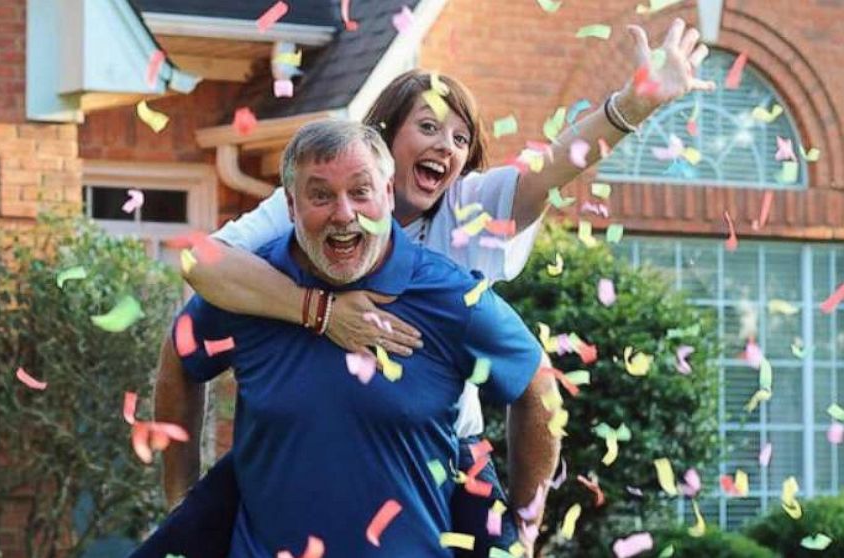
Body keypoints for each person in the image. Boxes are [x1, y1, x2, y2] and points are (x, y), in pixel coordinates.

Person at [133, 18, 714, 558]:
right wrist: (321, 311)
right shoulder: (312, 200)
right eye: (430, 127)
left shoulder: (469, 208)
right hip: (290, 446)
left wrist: (631, 105)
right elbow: (202, 265)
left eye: (459, 138)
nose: (446, 146)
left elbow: (558, 165)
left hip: (443, 450)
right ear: (383, 141)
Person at [154, 119, 547, 557]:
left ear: (387, 193)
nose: (343, 214)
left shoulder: (449, 297)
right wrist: (182, 501)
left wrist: (525, 521)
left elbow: (536, 384)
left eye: (360, 192)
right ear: (290, 204)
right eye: (320, 195)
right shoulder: (250, 290)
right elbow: (181, 356)